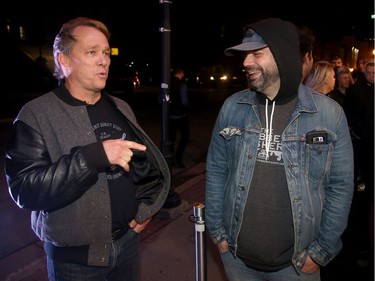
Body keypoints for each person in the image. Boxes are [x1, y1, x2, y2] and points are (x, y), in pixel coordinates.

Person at [5, 17, 170, 281]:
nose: (104, 60)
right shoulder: (36, 114)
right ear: (64, 60)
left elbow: (144, 168)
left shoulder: (120, 107)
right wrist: (92, 157)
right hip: (75, 262)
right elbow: (26, 189)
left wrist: (146, 209)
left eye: (106, 53)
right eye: (92, 52)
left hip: (128, 246)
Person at [205, 17, 354, 281]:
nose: (246, 62)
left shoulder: (329, 115)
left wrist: (320, 252)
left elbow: (340, 186)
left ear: (283, 55)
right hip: (237, 259)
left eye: (256, 54)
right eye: (245, 55)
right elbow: (217, 170)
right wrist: (217, 232)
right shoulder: (232, 107)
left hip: (297, 265)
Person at [343, 60, 374, 269]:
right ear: (364, 72)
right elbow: (351, 116)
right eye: (370, 72)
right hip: (364, 145)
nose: (372, 75)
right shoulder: (355, 90)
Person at [169, 67, 190, 168]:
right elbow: (184, 101)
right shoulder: (182, 85)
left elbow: (161, 99)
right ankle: (178, 158)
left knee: (171, 138)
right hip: (180, 115)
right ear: (181, 73)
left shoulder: (167, 83)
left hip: (170, 115)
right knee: (185, 136)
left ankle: (170, 158)